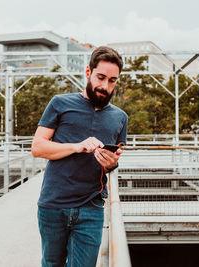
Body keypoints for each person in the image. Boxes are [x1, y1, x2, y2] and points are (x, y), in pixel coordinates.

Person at [31, 46, 128, 267]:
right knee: (51, 264)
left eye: (112, 80)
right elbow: (38, 147)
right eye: (101, 77)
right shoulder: (59, 103)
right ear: (88, 72)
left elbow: (115, 159)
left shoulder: (120, 118)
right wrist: (78, 147)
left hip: (91, 207)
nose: (105, 86)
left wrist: (113, 163)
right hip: (53, 204)